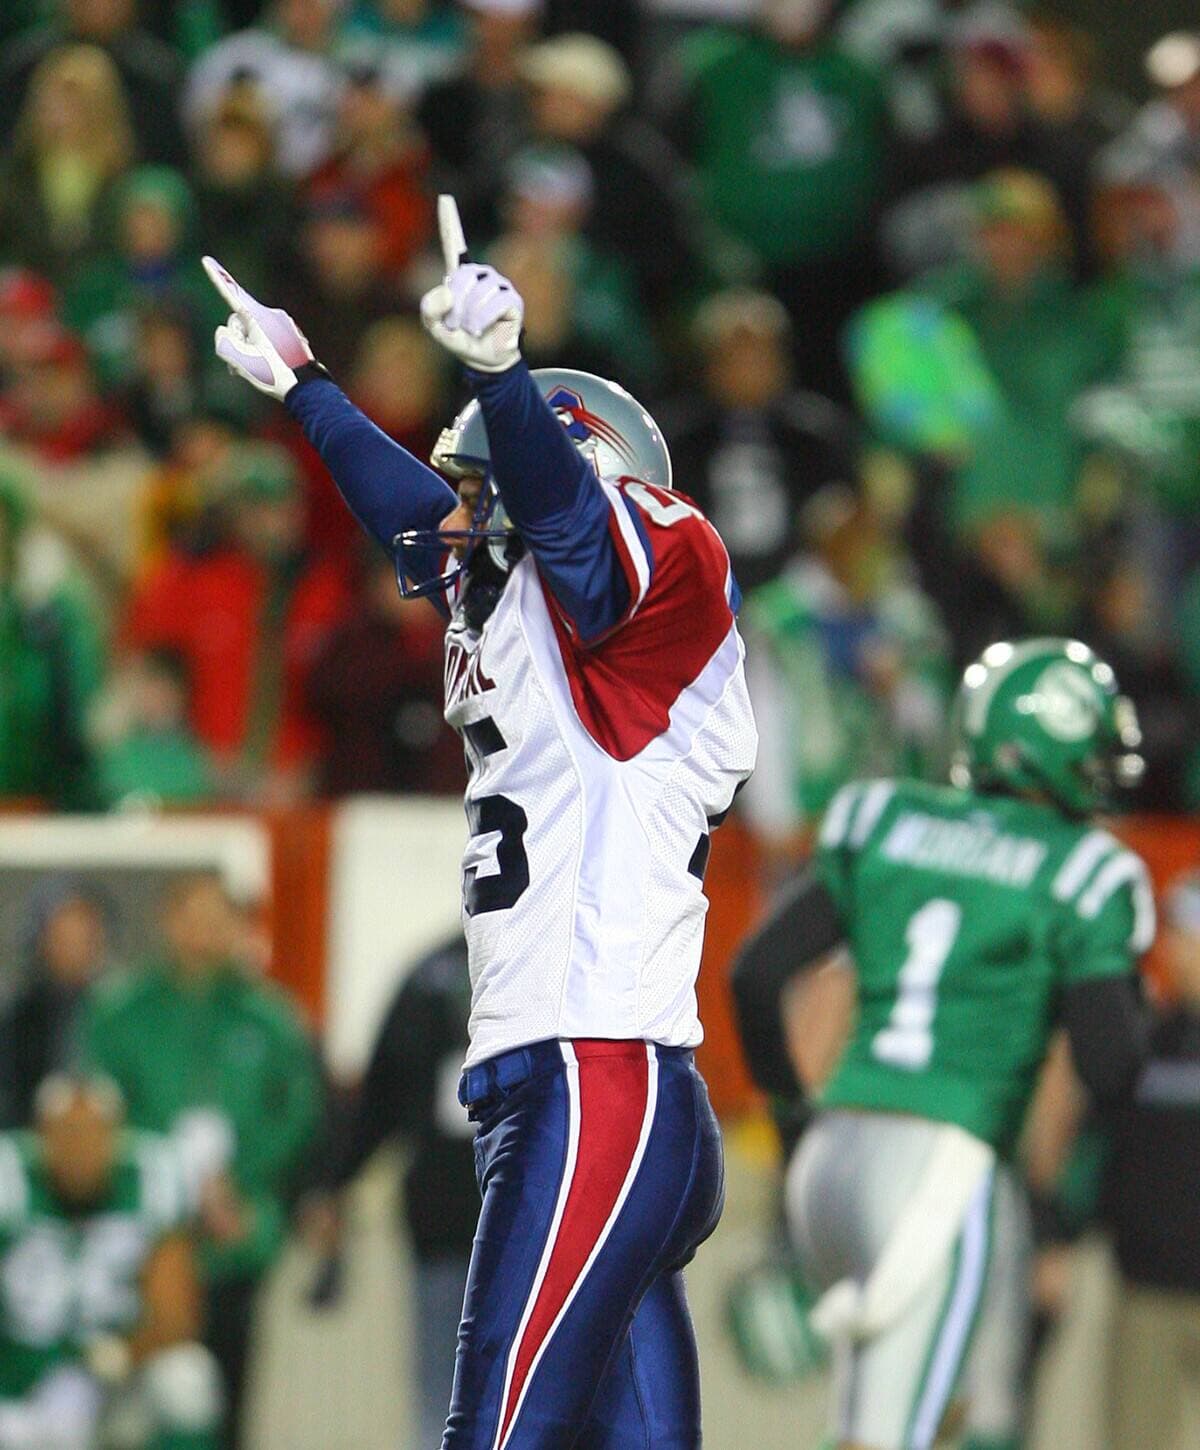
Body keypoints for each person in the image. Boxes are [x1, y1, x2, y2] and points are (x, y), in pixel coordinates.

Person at [204, 192, 756, 1447]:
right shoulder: (516, 597)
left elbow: (572, 528)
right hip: (571, 1080)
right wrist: (307, 391)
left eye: (478, 490)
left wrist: (506, 383)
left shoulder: (665, 568)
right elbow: (425, 516)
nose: (451, 524)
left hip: (593, 1072)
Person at [732, 636, 1153, 1450]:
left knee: (983, 1409)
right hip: (941, 1174)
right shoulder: (1083, 871)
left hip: (834, 1158)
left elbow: (756, 976)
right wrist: (1110, 982)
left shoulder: (887, 817)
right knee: (894, 1438)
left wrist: (794, 1118)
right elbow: (1111, 1066)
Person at [83, 872, 322, 1449]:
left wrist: (239, 1185)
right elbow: (97, 1110)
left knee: (225, 1388)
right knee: (126, 1390)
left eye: (221, 919)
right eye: (194, 916)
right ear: (168, 921)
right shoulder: (121, 1012)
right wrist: (164, 1184)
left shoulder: (270, 1018)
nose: (206, 933)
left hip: (233, 1232)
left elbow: (296, 1113)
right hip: (138, 1235)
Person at [303, 934, 477, 1448]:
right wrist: (332, 1185)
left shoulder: (569, 956)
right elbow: (381, 1097)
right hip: (449, 1222)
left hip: (551, 1231)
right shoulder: (432, 977)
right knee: (446, 1400)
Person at [0, 1073, 222, 1450]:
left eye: (92, 1133)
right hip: (19, 1380)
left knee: (187, 1380)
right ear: (42, 1134)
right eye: (67, 1133)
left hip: (113, 1371)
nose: (80, 1148)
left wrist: (119, 1356)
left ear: (116, 1133)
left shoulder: (153, 1177)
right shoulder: (9, 1179)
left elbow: (176, 1315)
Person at [0, 877, 111, 1128]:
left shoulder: (117, 1010)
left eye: (85, 935)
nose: (74, 946)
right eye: (63, 935)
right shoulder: (15, 1013)